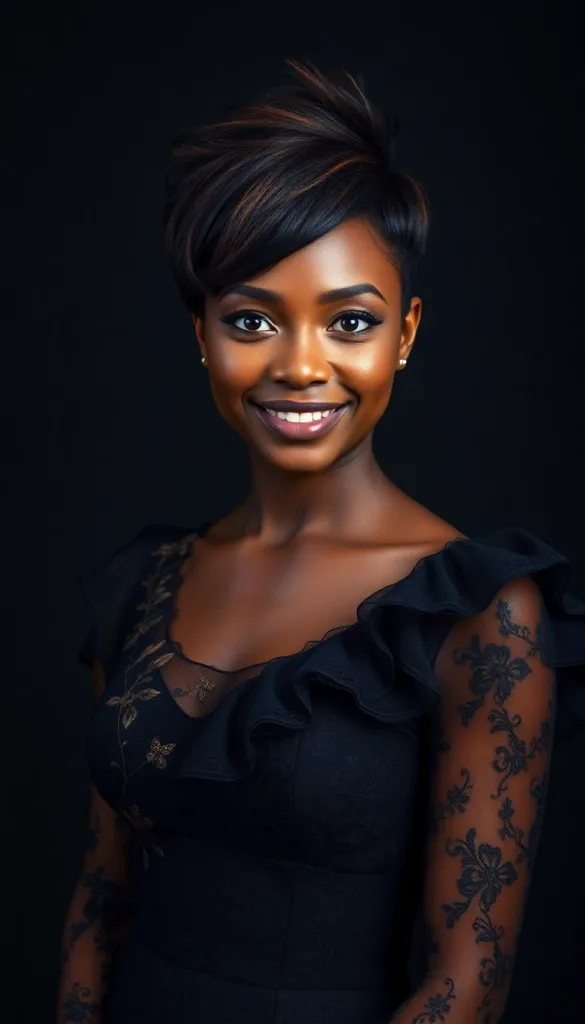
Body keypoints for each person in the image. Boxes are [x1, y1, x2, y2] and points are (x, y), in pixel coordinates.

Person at [56, 60, 585, 1023]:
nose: (301, 367)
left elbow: (464, 988)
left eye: (349, 322)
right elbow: (99, 903)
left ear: (405, 335)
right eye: (251, 319)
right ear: (202, 337)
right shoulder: (143, 584)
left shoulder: (477, 612)